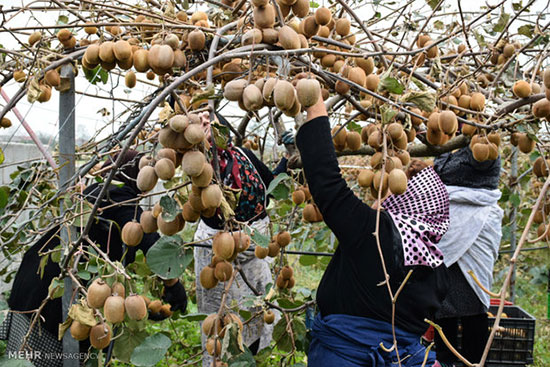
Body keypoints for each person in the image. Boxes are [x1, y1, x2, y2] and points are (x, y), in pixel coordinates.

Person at [295, 96, 450, 367]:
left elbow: (326, 182)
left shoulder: (372, 232)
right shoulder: (436, 266)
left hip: (343, 358)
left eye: (386, 188)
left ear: (404, 199)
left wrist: (314, 102)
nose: (376, 195)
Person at [0, 150, 187, 367]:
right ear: (137, 175)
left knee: (23, 354)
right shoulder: (119, 198)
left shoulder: (95, 191)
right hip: (50, 295)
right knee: (46, 359)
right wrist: (173, 284)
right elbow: (152, 245)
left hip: (35, 280)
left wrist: (143, 305)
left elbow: (107, 282)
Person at [194, 111, 289, 365]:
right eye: (198, 121)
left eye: (209, 118)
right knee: (222, 324)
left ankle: (251, 359)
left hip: (254, 245)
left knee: (257, 314)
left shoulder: (242, 154)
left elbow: (270, 182)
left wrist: (289, 157)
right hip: (217, 252)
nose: (205, 123)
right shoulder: (199, 164)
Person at [432, 145, 503, 367]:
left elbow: (484, 158)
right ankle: (444, 362)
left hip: (477, 222)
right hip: (447, 227)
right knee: (443, 303)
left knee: (474, 300)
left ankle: (475, 362)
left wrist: (480, 132)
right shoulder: (446, 149)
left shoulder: (484, 148)